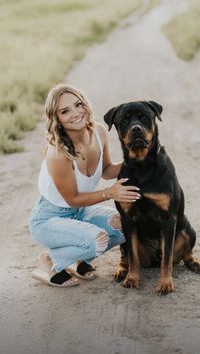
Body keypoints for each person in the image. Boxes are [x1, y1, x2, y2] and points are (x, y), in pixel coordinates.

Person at [29, 84, 141, 287]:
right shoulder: (57, 153)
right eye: (65, 111)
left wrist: (136, 160)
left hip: (81, 211)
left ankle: (76, 259)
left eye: (78, 104)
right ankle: (50, 260)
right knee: (96, 241)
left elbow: (106, 169)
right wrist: (110, 193)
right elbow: (71, 199)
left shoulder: (98, 131)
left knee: (126, 226)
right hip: (49, 218)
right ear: (57, 119)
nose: (75, 113)